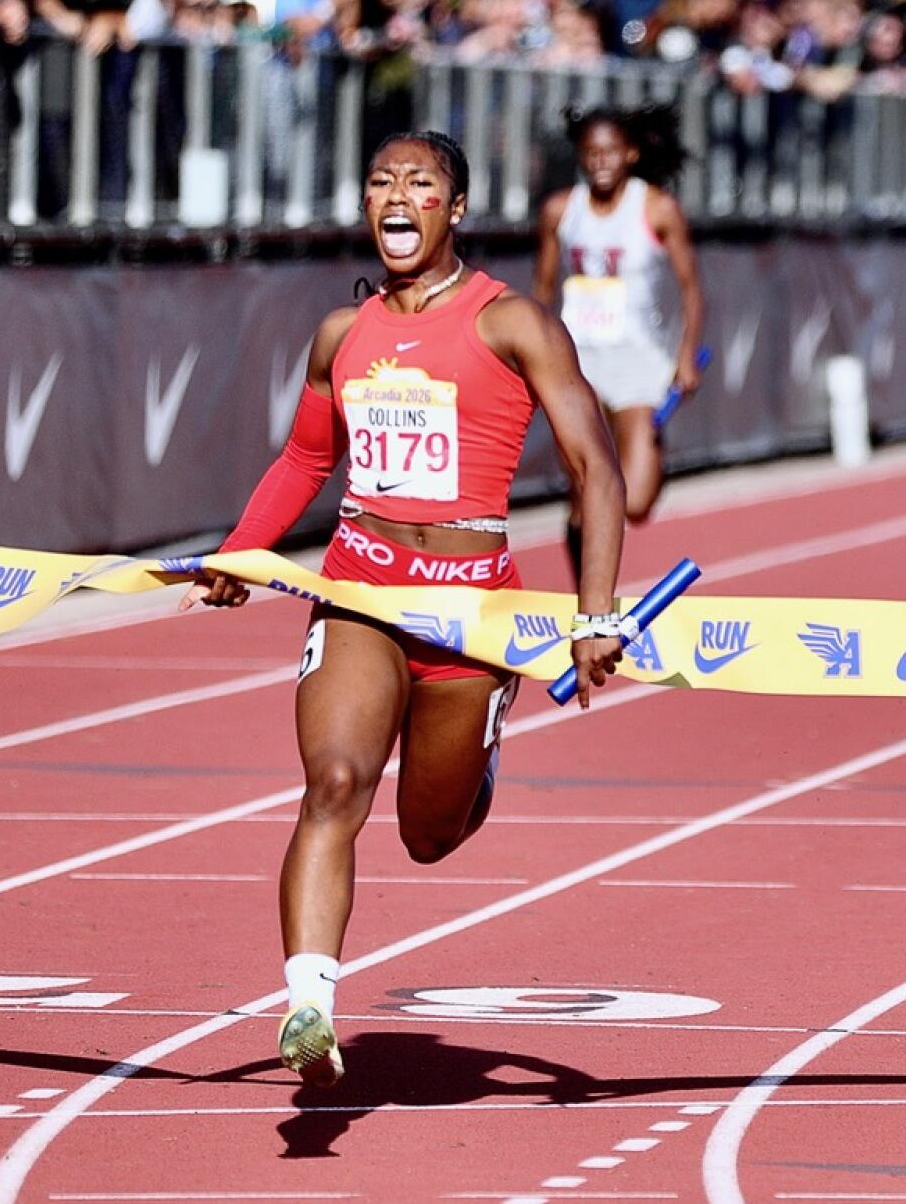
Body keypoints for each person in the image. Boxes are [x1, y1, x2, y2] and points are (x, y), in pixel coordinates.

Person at [184, 132, 628, 1088]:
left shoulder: (514, 325)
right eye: (380, 179)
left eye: (419, 183)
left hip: (472, 615)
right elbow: (305, 460)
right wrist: (242, 550)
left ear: (454, 208)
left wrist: (597, 616)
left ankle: (481, 753)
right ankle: (309, 1003)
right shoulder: (343, 335)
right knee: (336, 783)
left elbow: (597, 468)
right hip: (360, 590)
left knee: (430, 834)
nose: (397, 194)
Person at [533, 104, 706, 578]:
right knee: (585, 492)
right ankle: (589, 594)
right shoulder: (560, 210)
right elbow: (543, 290)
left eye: (610, 152)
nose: (600, 162)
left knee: (636, 499)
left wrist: (685, 355)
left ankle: (653, 456)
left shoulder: (656, 207)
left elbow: (691, 288)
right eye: (590, 153)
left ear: (630, 154)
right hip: (579, 362)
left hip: (638, 359)